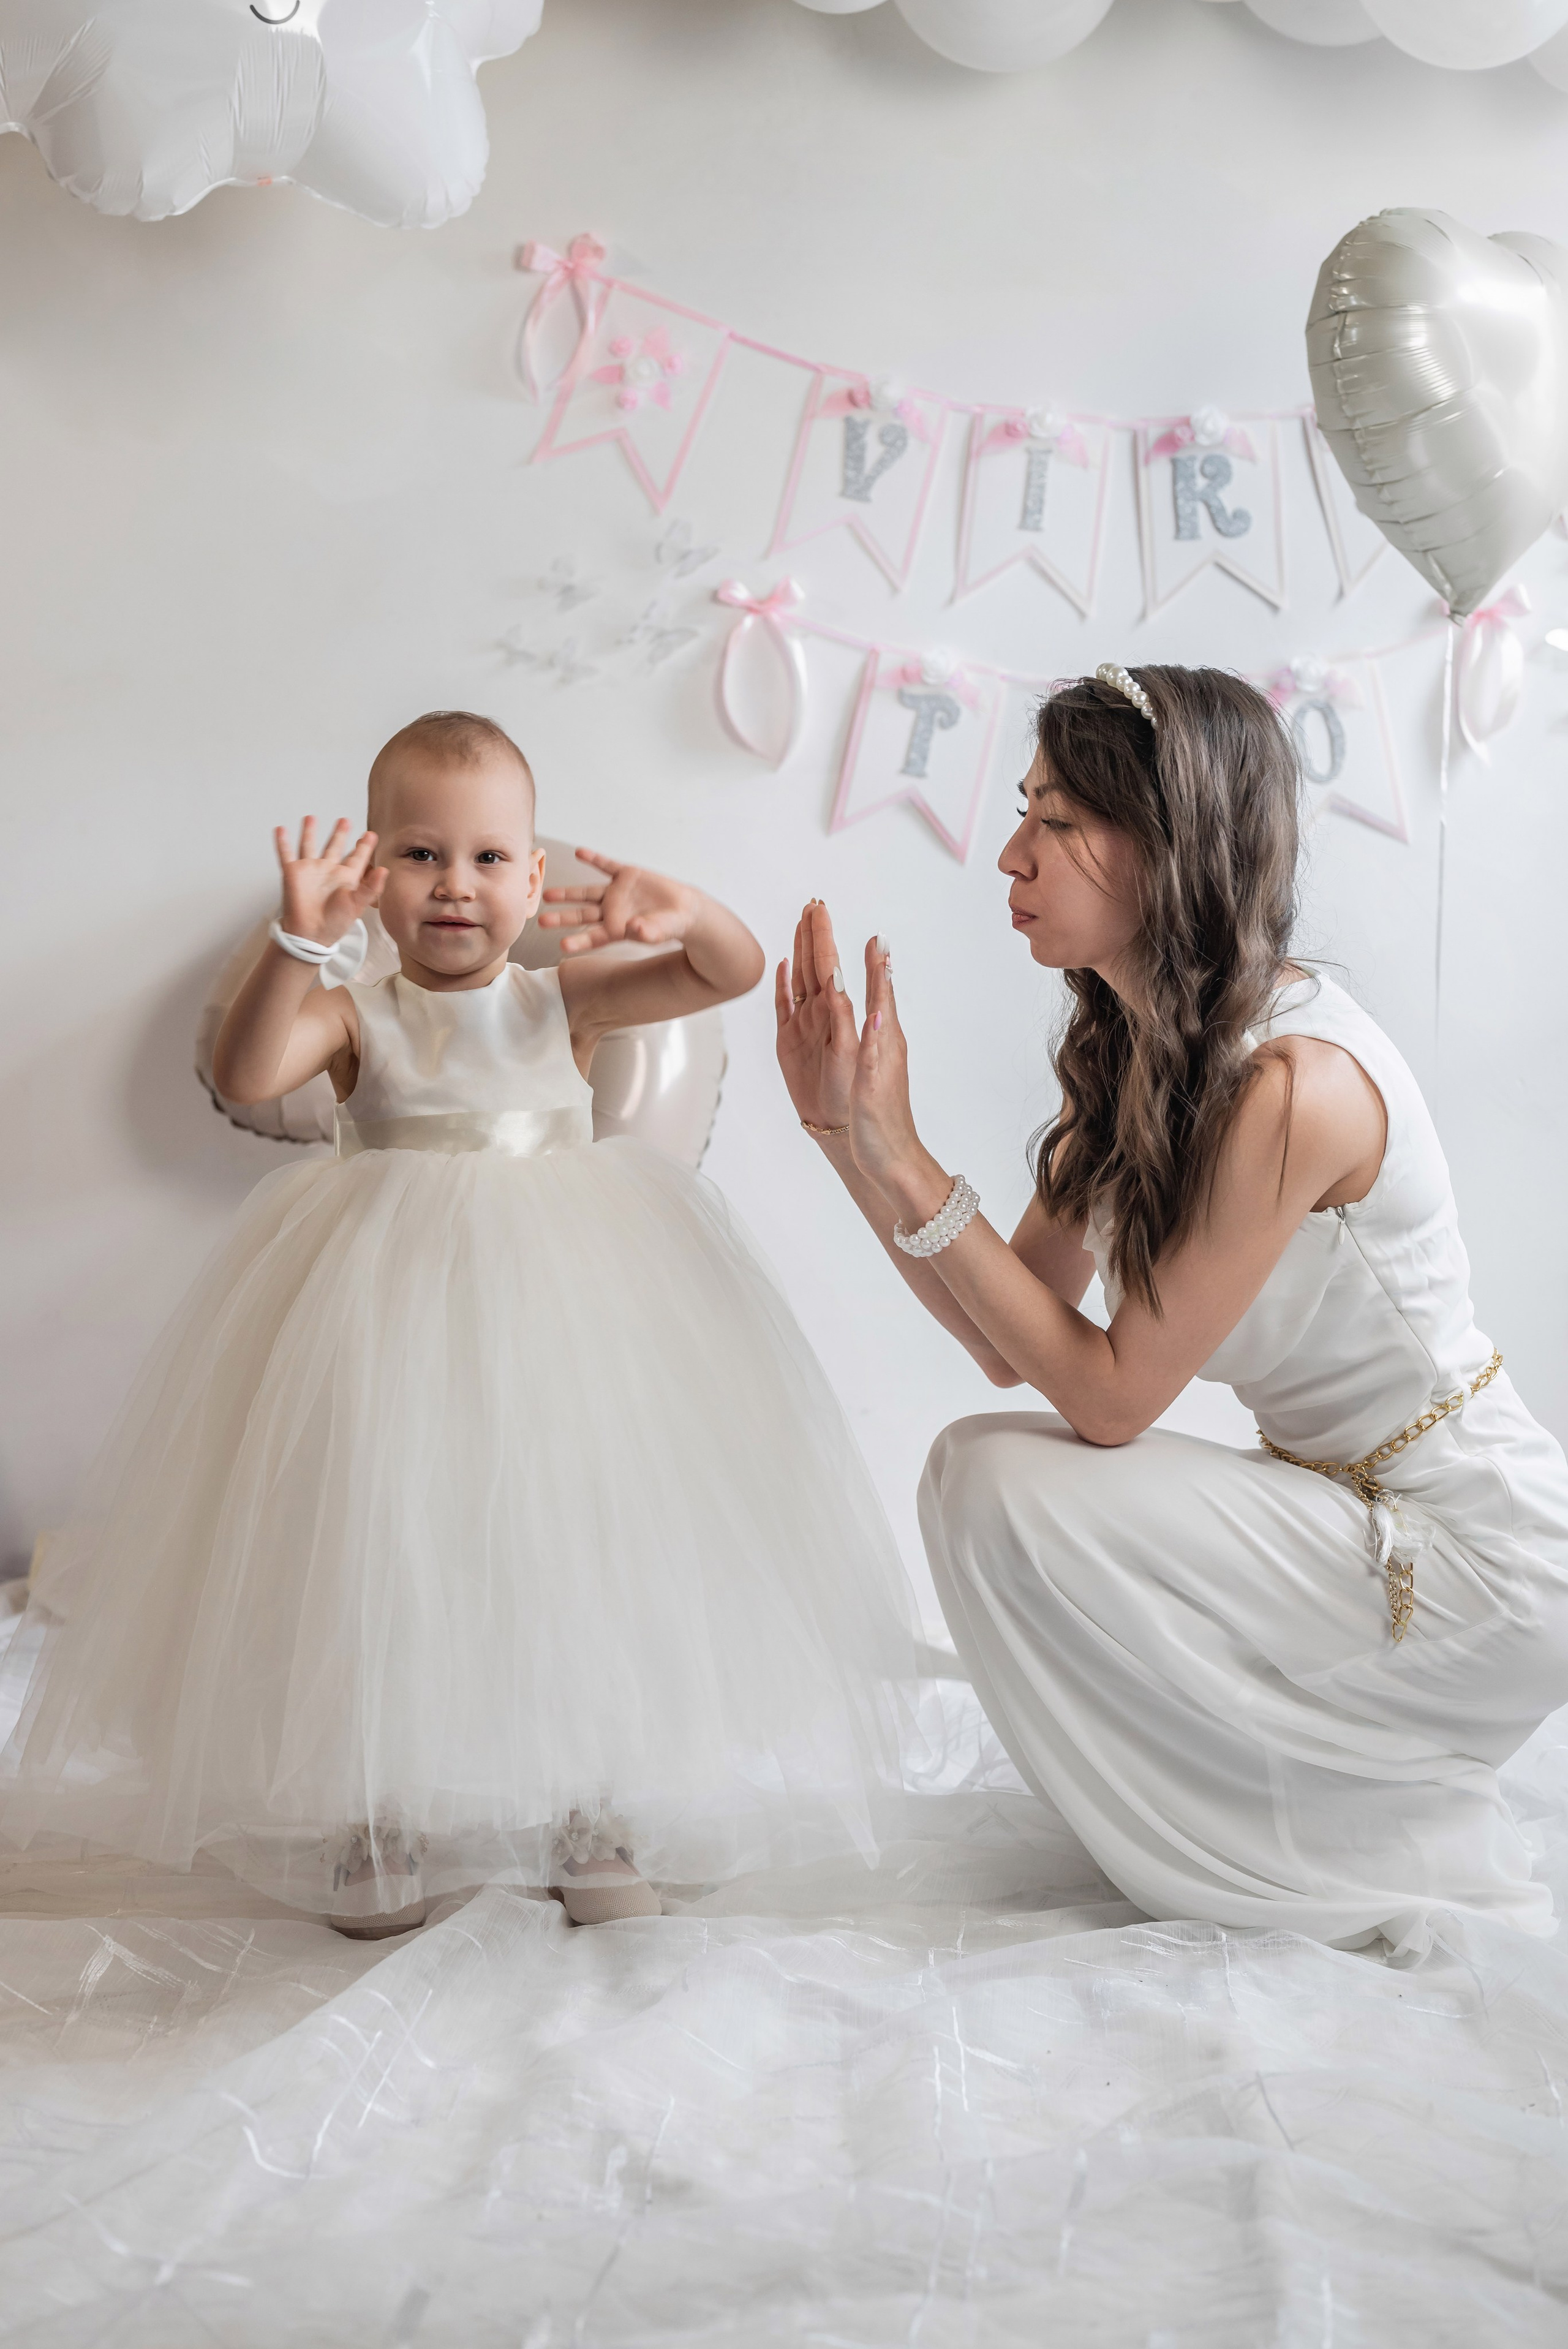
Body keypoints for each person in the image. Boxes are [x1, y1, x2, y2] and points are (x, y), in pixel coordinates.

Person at [0, 711, 918, 1936]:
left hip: (560, 1315)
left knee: (569, 1544)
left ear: (535, 880)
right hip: (380, 1320)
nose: (456, 885)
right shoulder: (352, 1012)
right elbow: (246, 1073)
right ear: (374, 876)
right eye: (422, 855)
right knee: (379, 1548)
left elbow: (728, 971)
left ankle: (588, 1805)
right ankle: (374, 1814)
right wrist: (294, 942)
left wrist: (679, 908)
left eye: (490, 858)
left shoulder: (560, 997)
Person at [776, 662, 1568, 1956]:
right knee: (973, 1471)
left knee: (994, 1479)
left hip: (1477, 1563)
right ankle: (1259, 1828)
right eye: (1025, 813)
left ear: (1168, 847)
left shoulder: (1291, 1083)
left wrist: (907, 1150)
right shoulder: (1140, 1053)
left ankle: (1311, 1851)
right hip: (1344, 1510)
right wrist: (844, 1139)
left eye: (1055, 821)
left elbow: (1105, 1397)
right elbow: (1004, 1328)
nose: (1008, 856)